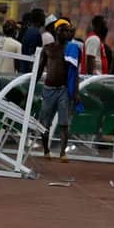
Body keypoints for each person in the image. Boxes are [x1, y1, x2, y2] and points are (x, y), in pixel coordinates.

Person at [36, 20, 78, 162]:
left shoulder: (71, 49)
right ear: (56, 32)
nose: (65, 33)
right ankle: (46, 150)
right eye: (62, 30)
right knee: (44, 122)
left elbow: (74, 73)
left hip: (63, 90)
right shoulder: (47, 48)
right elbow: (40, 69)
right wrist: (32, 86)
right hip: (48, 89)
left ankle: (62, 153)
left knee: (64, 123)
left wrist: (75, 92)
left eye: (67, 30)